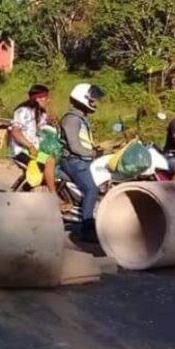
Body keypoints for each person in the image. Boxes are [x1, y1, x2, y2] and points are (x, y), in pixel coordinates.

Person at [60, 83, 105, 242]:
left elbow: (83, 141)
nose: (94, 102)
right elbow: (75, 146)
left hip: (83, 159)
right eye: (92, 99)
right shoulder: (72, 119)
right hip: (74, 161)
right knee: (91, 190)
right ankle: (86, 229)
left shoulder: (80, 117)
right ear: (82, 98)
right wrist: (93, 153)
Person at [9, 84, 58, 194]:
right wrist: (29, 146)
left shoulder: (40, 112)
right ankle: (53, 196)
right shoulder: (23, 111)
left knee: (51, 166)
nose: (48, 100)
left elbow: (45, 127)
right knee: (49, 161)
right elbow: (15, 132)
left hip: (35, 150)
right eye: (46, 98)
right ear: (38, 98)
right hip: (22, 151)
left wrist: (52, 121)